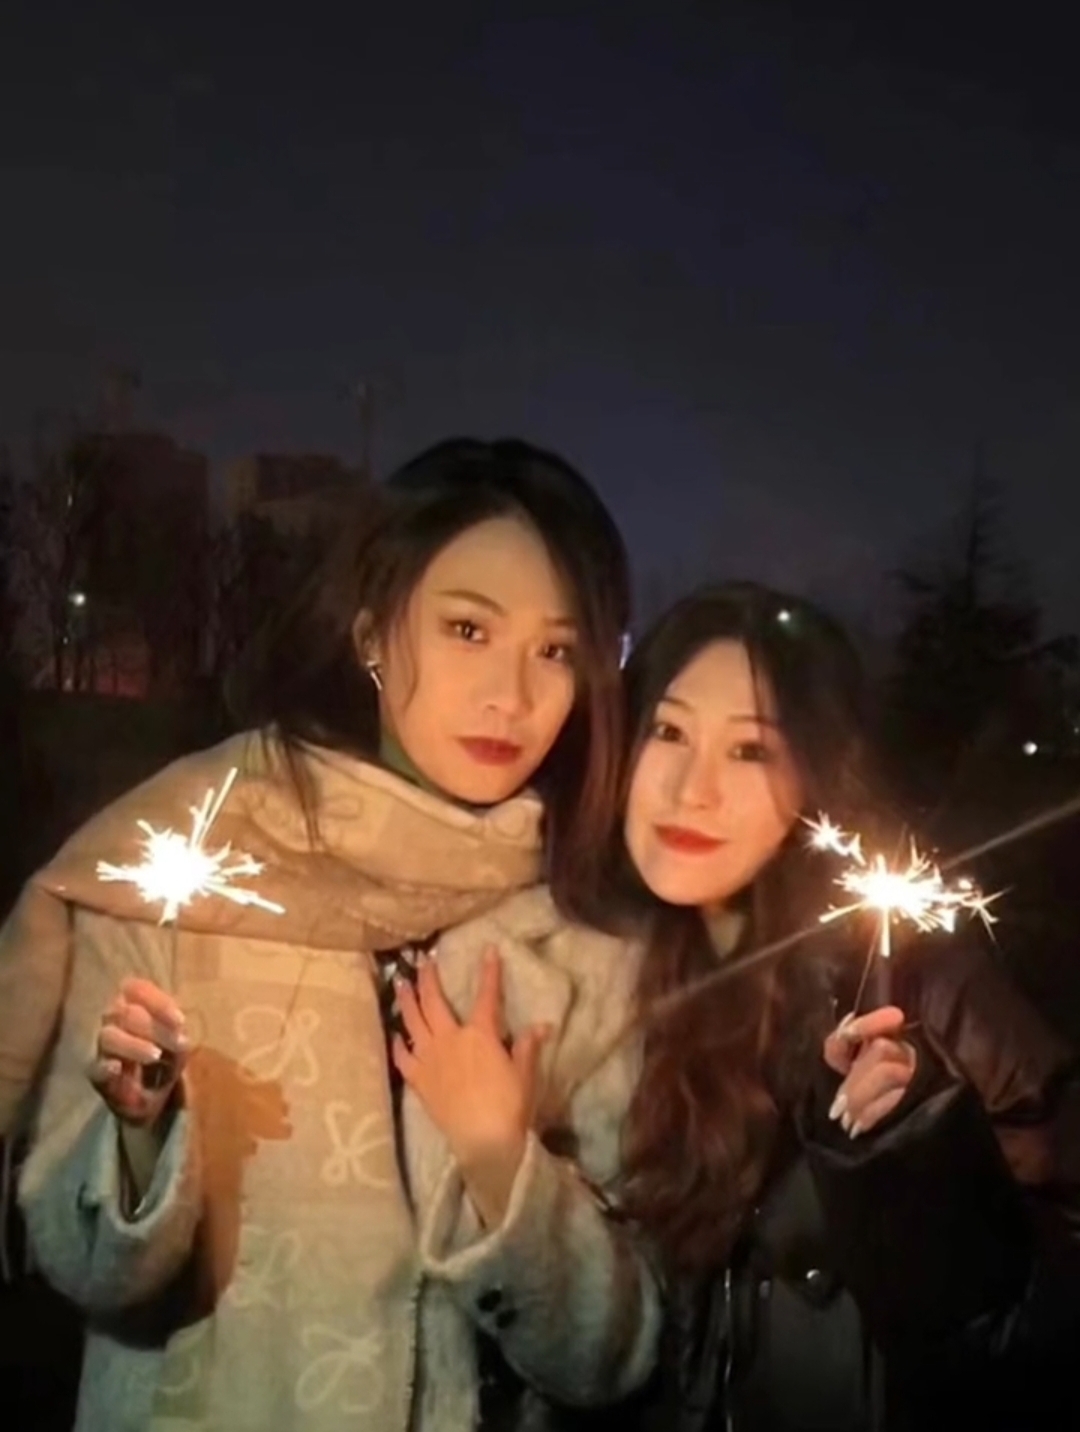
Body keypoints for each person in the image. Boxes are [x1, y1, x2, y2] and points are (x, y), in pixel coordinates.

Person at [0, 438, 660, 1432]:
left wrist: (500, 1163)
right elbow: (83, 1265)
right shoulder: (190, 857)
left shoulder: (586, 934)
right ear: (372, 632)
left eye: (557, 650)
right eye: (468, 629)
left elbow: (614, 1354)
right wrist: (139, 1137)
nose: (512, 696)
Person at [583, 581, 1078, 1432]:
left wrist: (919, 1171)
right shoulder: (595, 973)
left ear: (815, 778)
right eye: (668, 731)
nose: (692, 789)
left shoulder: (917, 991)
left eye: (750, 750)